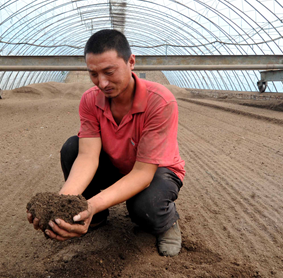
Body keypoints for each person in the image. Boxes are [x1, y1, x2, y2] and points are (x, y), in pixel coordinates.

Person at [27, 29, 185, 256]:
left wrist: (91, 204)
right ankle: (95, 218)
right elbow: (87, 156)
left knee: (143, 208)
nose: (102, 83)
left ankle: (166, 223)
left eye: (109, 72)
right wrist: (62, 205)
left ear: (131, 62)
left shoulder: (160, 102)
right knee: (72, 148)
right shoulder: (90, 100)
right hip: (117, 164)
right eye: (93, 74)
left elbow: (142, 173)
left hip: (156, 170)